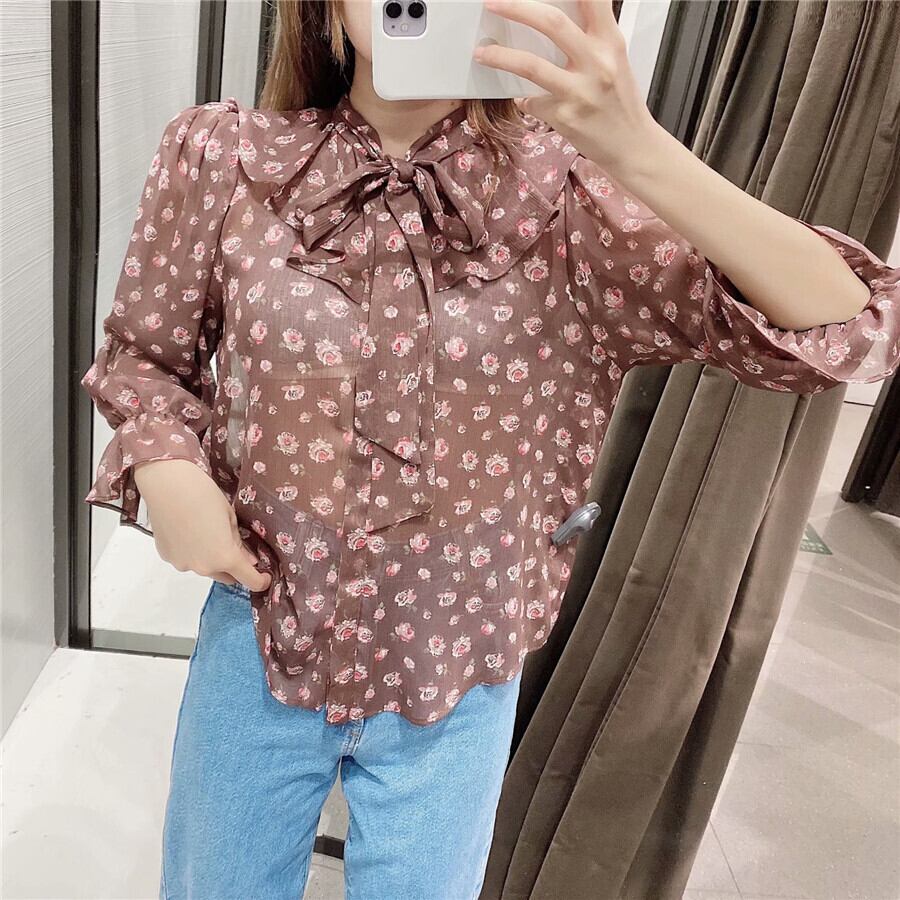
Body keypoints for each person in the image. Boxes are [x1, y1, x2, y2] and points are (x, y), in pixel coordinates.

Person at [79, 1, 900, 898]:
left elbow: (846, 324)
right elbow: (144, 359)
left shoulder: (571, 199)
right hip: (263, 638)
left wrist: (637, 148)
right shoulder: (225, 159)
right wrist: (166, 464)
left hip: (461, 668)